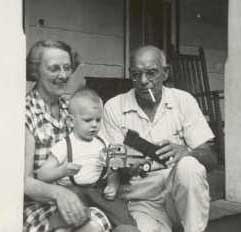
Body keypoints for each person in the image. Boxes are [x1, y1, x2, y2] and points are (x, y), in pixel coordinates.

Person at [24, 40, 139, 232]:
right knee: (87, 227)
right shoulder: (25, 113)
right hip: (39, 205)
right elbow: (23, 181)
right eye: (54, 69)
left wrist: (118, 171)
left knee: (113, 226)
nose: (63, 75)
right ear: (36, 71)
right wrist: (58, 193)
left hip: (84, 198)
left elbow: (104, 149)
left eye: (67, 68)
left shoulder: (73, 108)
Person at [101, 45, 217, 232]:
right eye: (136, 74)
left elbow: (211, 159)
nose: (143, 81)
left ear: (165, 73)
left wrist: (187, 152)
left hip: (178, 199)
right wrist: (125, 168)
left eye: (151, 73)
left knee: (189, 165)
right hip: (142, 201)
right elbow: (113, 165)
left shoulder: (183, 101)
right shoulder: (114, 107)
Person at [36, 88, 137, 230]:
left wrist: (112, 184)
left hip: (98, 190)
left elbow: (114, 169)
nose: (94, 125)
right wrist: (62, 171)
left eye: (98, 120)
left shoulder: (104, 142)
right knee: (70, 212)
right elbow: (42, 174)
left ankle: (124, 228)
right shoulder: (65, 144)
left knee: (121, 215)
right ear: (71, 121)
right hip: (73, 191)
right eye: (88, 120)